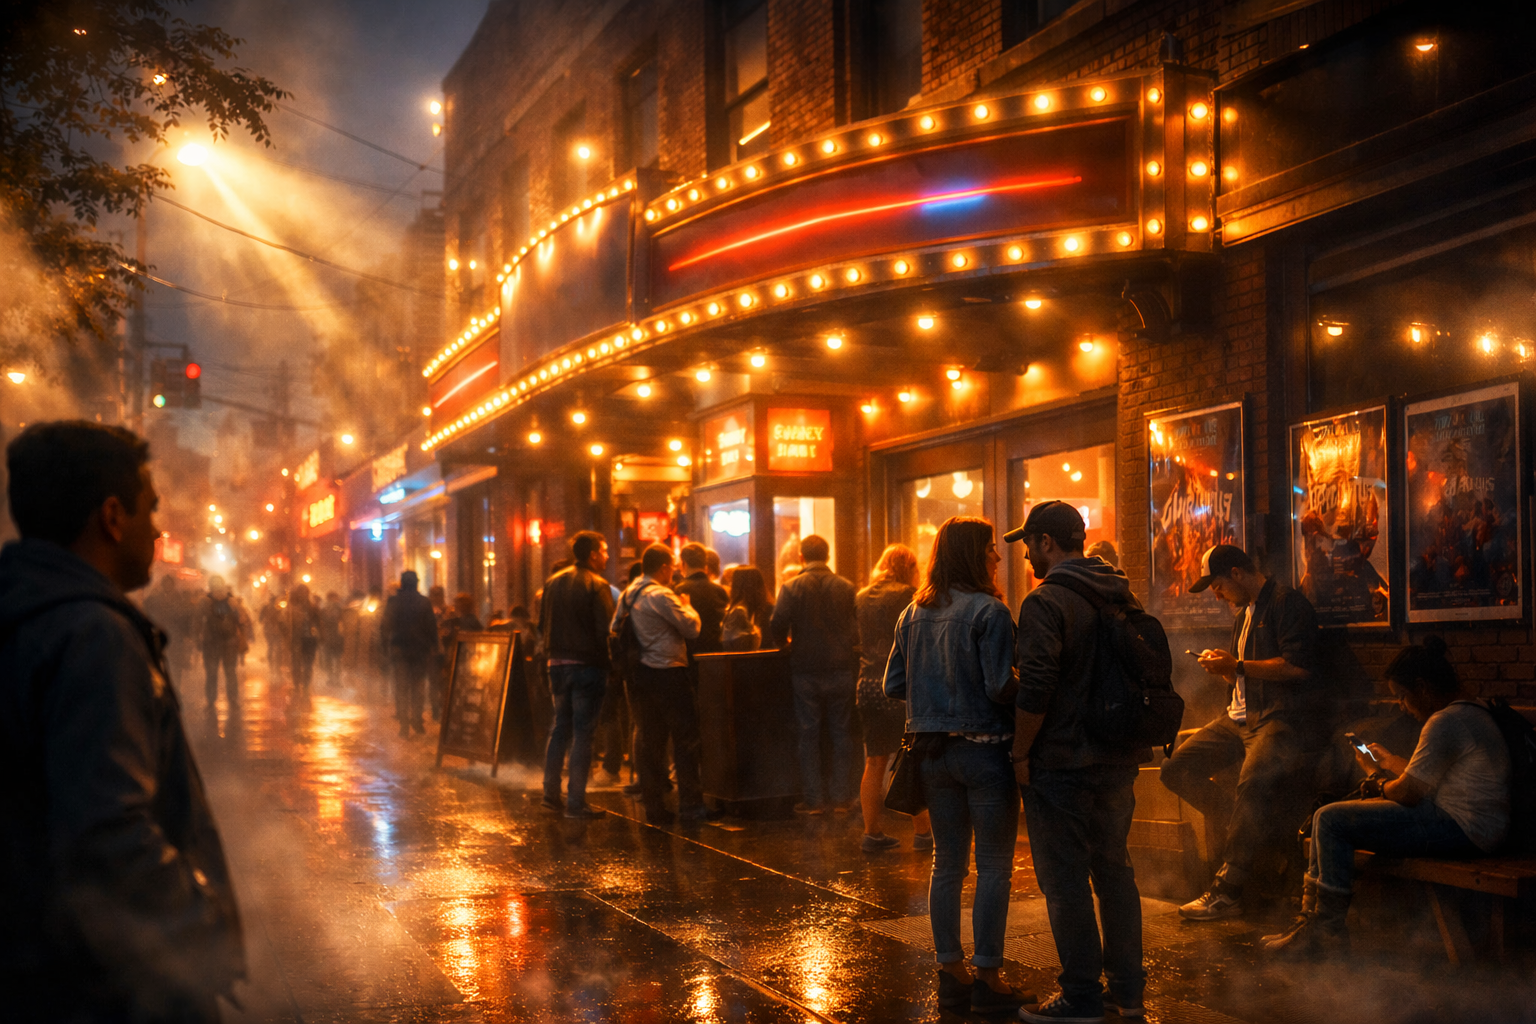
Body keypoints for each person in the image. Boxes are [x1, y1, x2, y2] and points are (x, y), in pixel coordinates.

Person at [0, 421, 243, 1021]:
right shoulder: (94, 635)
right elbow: (109, 833)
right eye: (150, 511)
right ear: (113, 517)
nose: (157, 531)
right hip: (103, 986)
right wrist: (199, 930)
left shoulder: (23, 610)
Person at [1263, 637, 1511, 955]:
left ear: (1422, 687)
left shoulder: (1445, 721)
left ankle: (1325, 931)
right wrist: (1388, 763)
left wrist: (1376, 781)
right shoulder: (1470, 711)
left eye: (1403, 697)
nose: (1402, 707)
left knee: (1330, 819)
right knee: (1330, 818)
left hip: (1461, 828)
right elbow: (1424, 780)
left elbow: (1408, 793)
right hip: (1476, 826)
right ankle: (1311, 923)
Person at [1009, 501, 1147, 1022]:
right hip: (1117, 755)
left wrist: (1021, 751)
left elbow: (1038, 683)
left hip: (1064, 760)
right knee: (1114, 869)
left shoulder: (1047, 600)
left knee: (1065, 880)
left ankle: (1081, 997)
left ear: (1047, 542)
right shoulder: (1120, 590)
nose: (1026, 553)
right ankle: (1128, 993)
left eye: (1029, 543)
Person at [884, 517, 1025, 1016]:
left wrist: (934, 691)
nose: (998, 556)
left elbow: (893, 685)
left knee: (947, 864)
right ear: (972, 555)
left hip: (932, 756)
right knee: (992, 866)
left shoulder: (912, 613)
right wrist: (1036, 684)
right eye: (991, 548)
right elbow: (998, 687)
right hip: (985, 752)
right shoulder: (991, 611)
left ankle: (950, 972)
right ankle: (989, 974)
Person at [1161, 543, 1321, 921]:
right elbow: (1242, 673)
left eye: (1217, 586)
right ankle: (1246, 828)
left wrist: (1241, 666)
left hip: (1274, 718)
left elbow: (1298, 668)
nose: (1216, 595)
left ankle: (1228, 890)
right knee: (1175, 769)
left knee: (1252, 783)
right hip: (1236, 719)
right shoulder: (1243, 613)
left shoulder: (1286, 604)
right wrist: (1225, 669)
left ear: (1236, 573)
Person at [612, 544, 715, 824]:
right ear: (665, 568)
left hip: (639, 675)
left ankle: (654, 805)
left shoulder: (628, 594)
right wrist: (688, 606)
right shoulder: (661, 594)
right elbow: (691, 628)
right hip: (668, 672)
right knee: (685, 738)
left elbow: (614, 629)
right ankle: (691, 805)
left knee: (650, 741)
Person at [771, 535, 859, 814]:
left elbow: (777, 623)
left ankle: (814, 800)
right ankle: (842, 797)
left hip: (805, 669)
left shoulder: (791, 586)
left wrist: (785, 646)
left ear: (801, 557)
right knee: (841, 733)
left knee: (808, 734)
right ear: (828, 555)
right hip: (841, 668)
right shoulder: (846, 587)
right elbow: (856, 627)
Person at [857, 544, 931, 851]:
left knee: (875, 761)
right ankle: (923, 832)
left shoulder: (861, 596)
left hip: (867, 684)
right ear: (908, 568)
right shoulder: (906, 595)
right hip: (898, 684)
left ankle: (872, 832)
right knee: (911, 755)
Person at [539, 531, 616, 819]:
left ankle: (550, 794)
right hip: (586, 666)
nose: (607, 556)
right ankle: (576, 801)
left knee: (560, 727)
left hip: (555, 664)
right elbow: (604, 632)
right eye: (605, 551)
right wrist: (610, 666)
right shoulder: (597, 584)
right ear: (593, 554)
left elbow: (541, 625)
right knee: (584, 733)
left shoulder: (552, 582)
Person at [382, 570, 440, 736]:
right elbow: (431, 626)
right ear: (416, 583)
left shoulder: (393, 602)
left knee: (401, 688)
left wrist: (385, 647)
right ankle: (416, 718)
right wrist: (434, 646)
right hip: (419, 651)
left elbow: (385, 626)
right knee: (418, 688)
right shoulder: (424, 602)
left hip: (399, 651)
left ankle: (404, 724)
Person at [674, 542, 730, 654]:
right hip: (716, 650)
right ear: (705, 563)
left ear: (684, 564)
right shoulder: (719, 590)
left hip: (691, 651)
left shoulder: (680, 590)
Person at [200, 575, 244, 713]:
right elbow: (197, 621)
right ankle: (211, 700)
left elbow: (240, 620)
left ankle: (233, 699)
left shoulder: (232, 602)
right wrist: (197, 638)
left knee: (230, 672)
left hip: (229, 642)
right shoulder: (205, 602)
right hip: (211, 643)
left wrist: (242, 636)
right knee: (212, 673)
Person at [720, 564, 773, 651]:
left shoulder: (737, 611)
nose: (730, 585)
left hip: (740, 661)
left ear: (738, 586)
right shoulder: (770, 609)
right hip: (768, 661)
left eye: (732, 582)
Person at [286, 583, 321, 694]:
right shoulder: (291, 609)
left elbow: (319, 622)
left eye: (305, 592)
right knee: (296, 664)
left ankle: (306, 686)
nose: (303, 595)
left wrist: (318, 633)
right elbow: (284, 624)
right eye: (301, 592)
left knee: (308, 665)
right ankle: (297, 685)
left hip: (310, 640)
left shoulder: (313, 607)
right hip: (296, 640)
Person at [318, 591, 345, 688]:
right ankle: (335, 679)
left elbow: (321, 622)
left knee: (331, 660)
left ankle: (332, 678)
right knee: (336, 660)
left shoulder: (324, 609)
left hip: (330, 638)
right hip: (335, 637)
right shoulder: (339, 609)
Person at [259, 590, 284, 673]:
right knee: (277, 647)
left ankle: (272, 665)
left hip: (269, 630)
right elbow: (282, 620)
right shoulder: (278, 608)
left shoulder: (265, 607)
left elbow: (260, 619)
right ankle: (277, 665)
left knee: (271, 647)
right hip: (275, 631)